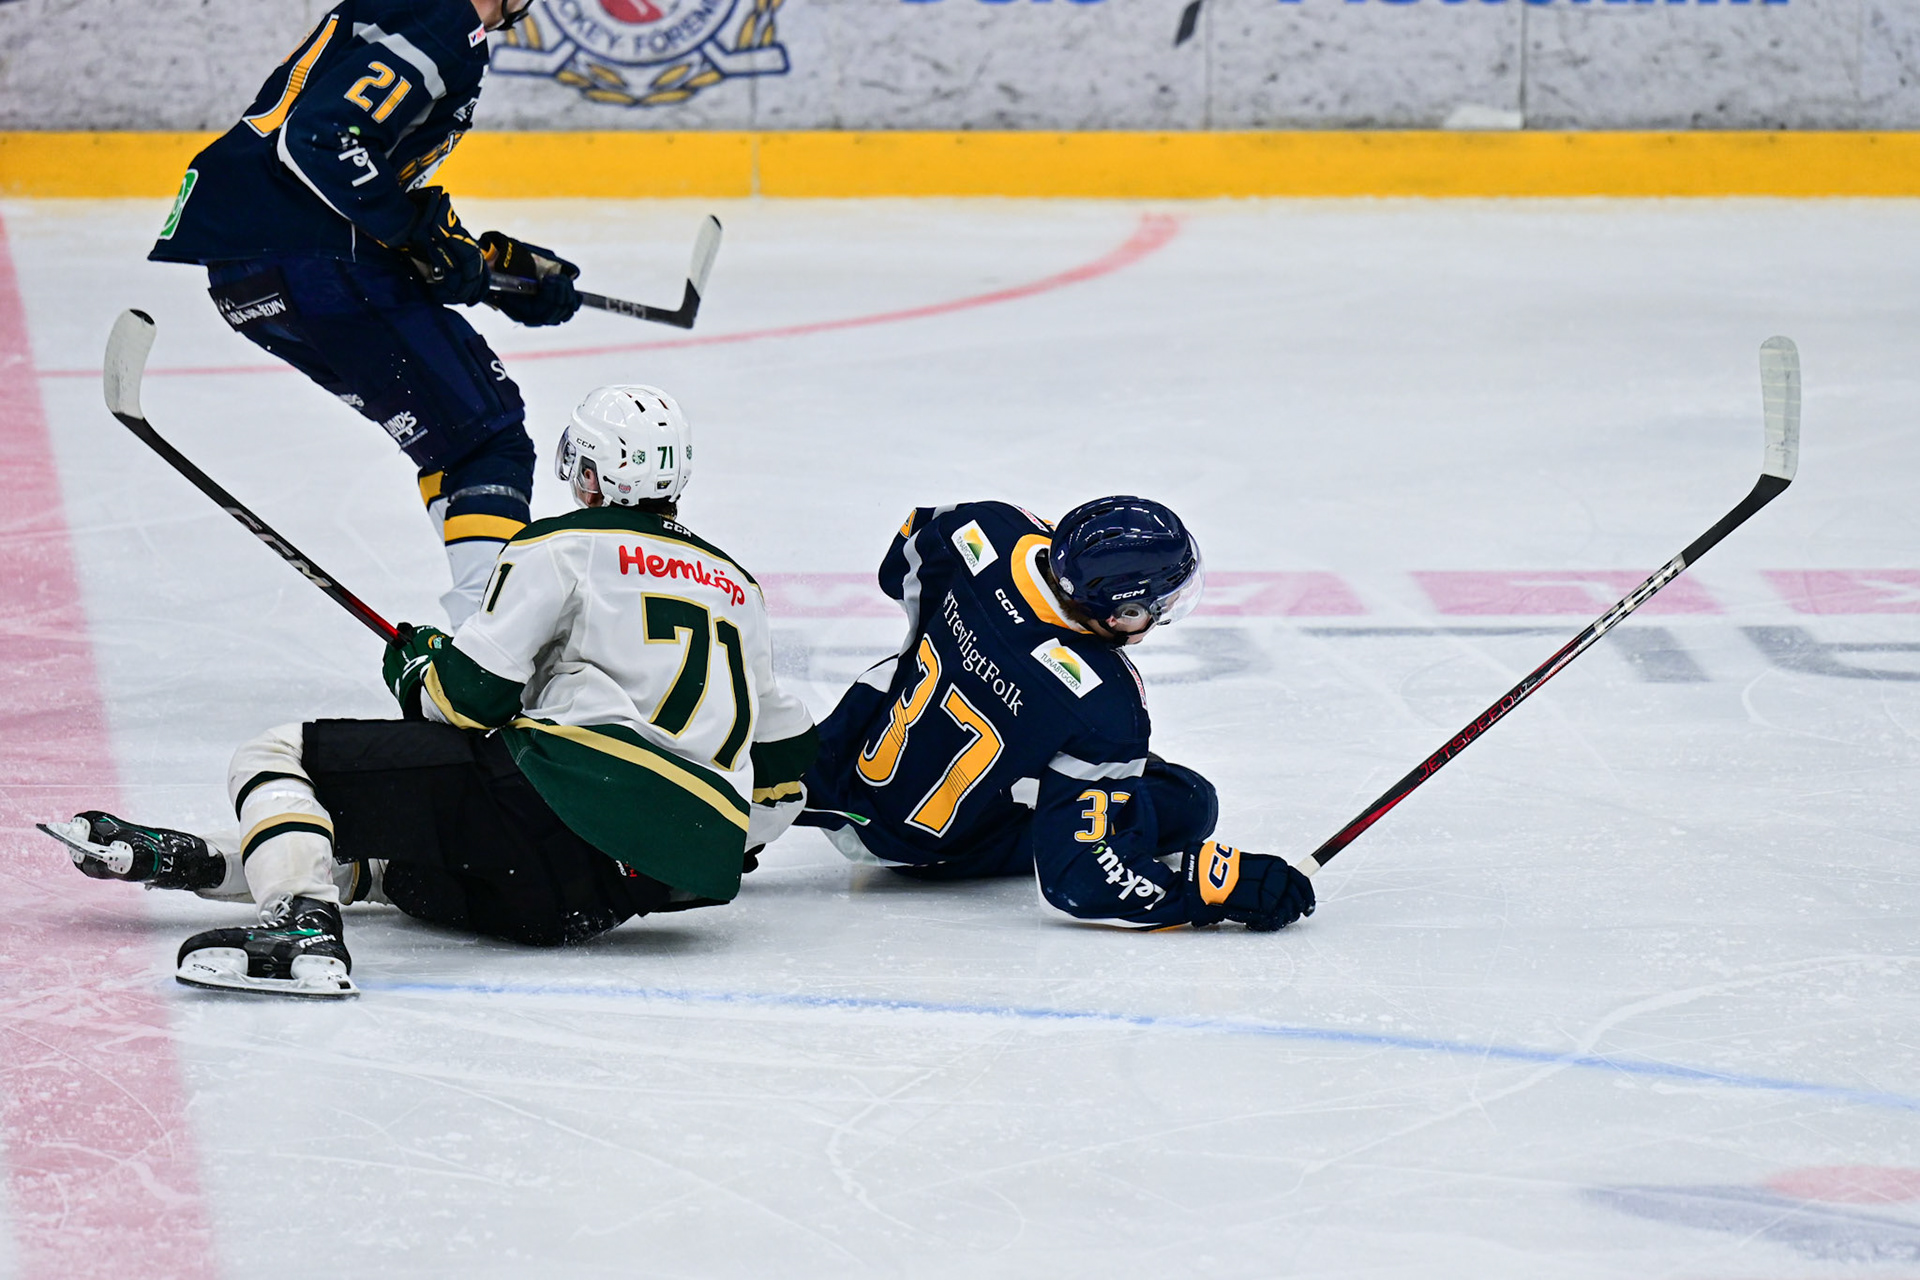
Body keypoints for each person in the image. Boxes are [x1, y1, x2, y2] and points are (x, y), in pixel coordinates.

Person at [41, 386, 819, 997]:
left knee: (279, 754)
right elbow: (784, 770)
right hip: (593, 902)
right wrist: (692, 840)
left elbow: (469, 699)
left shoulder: (561, 546)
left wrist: (421, 667)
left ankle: (300, 924)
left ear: (590, 473)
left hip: (548, 822)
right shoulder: (736, 586)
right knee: (397, 869)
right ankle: (201, 860)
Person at [148, 0, 583, 625]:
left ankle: (486, 629)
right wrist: (415, 232)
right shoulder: (447, 17)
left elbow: (358, 176)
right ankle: (493, 643)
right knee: (485, 441)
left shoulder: (401, 8)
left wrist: (491, 271)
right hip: (314, 261)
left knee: (451, 440)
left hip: (248, 276)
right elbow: (321, 139)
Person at [799, 497, 1316, 932]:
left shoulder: (988, 526)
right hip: (915, 842)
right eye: (1158, 603)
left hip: (846, 762)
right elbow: (1078, 882)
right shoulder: (1106, 702)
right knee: (1187, 801)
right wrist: (1212, 888)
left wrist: (971, 637)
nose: (1164, 611)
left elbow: (900, 566)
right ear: (1123, 612)